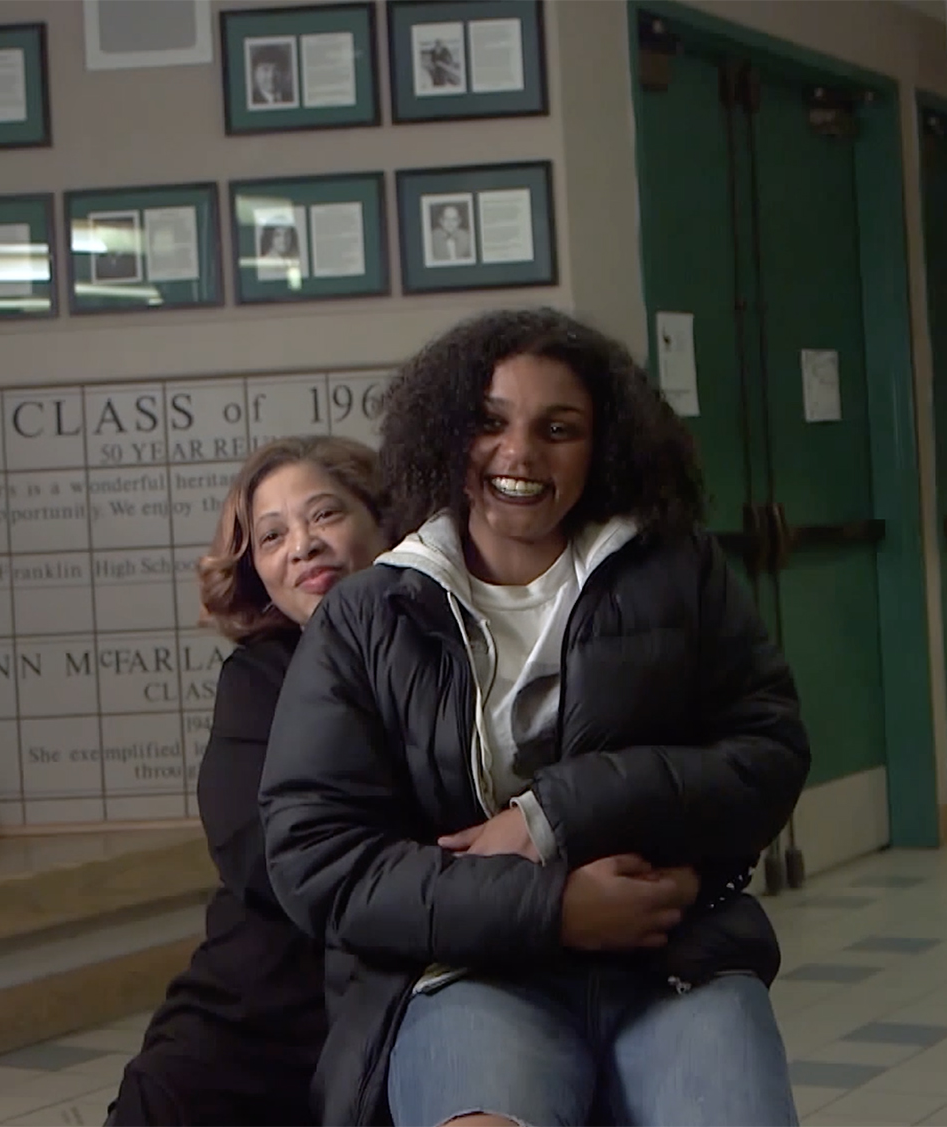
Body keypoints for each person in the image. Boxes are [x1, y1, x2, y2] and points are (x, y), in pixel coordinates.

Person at [257, 308, 811, 1127]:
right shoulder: (369, 615)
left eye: (560, 428)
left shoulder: (679, 570)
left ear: (605, 445)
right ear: (448, 431)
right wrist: (552, 908)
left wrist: (556, 812)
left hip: (672, 958)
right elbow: (318, 858)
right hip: (468, 972)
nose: (519, 454)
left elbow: (767, 756)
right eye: (490, 422)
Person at [109, 436, 391, 1127]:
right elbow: (256, 847)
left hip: (415, 973)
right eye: (273, 536)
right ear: (259, 572)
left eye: (324, 515)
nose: (302, 546)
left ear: (385, 521)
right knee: (169, 1089)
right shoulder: (259, 676)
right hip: (270, 980)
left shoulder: (452, 650)